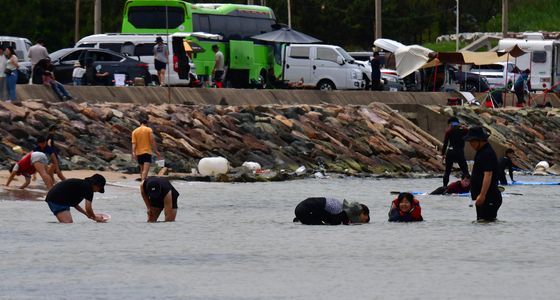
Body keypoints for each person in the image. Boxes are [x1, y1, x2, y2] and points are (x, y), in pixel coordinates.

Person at [464, 126, 502, 221]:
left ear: (479, 140)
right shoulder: (481, 151)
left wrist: (482, 195)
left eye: (472, 141)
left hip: (489, 197)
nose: (471, 144)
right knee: (481, 224)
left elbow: (488, 175)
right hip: (483, 197)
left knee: (487, 224)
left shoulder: (487, 153)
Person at [293, 197, 370, 225]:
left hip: (300, 208)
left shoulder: (338, 205)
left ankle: (299, 219)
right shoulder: (339, 211)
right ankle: (300, 219)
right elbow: (334, 222)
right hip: (304, 210)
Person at [442, 116, 469, 187]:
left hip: (450, 152)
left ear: (450, 123)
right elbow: (470, 134)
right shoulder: (463, 130)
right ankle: (469, 186)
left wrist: (442, 154)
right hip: (459, 152)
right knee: (465, 171)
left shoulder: (449, 131)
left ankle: (444, 186)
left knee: (447, 171)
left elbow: (445, 144)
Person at [131, 117, 161, 181]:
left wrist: (133, 152)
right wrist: (156, 151)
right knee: (145, 171)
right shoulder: (148, 130)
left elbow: (134, 143)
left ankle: (142, 184)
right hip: (146, 152)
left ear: (140, 123)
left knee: (142, 170)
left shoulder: (134, 131)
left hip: (138, 153)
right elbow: (152, 141)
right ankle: (143, 185)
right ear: (146, 124)